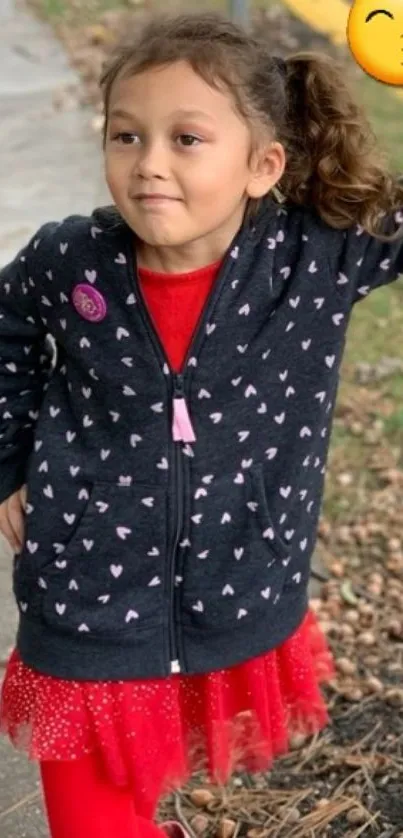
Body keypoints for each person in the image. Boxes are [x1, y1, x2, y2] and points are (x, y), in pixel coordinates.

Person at [0, 10, 402, 838]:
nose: (148, 164)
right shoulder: (69, 261)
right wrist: (6, 461)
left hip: (233, 589)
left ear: (262, 165)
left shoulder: (314, 261)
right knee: (92, 821)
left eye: (186, 139)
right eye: (125, 136)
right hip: (86, 602)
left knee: (150, 782)